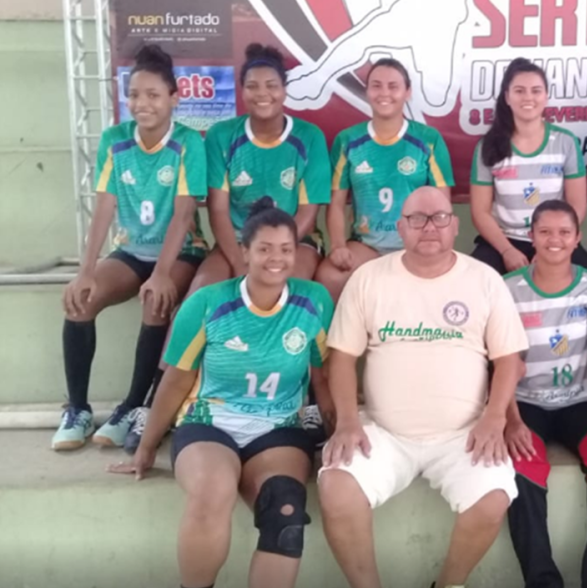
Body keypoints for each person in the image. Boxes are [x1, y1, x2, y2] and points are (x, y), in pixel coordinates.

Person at [109, 198, 334, 588]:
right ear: (244, 252)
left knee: (285, 510)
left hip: (278, 428)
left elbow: (324, 375)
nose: (276, 259)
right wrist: (146, 447)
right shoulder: (207, 303)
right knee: (212, 494)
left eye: (286, 249)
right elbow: (176, 380)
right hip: (210, 424)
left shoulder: (313, 301)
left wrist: (339, 428)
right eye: (264, 249)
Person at [318, 186, 529, 588]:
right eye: (417, 218)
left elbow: (508, 360)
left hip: (463, 435)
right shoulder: (369, 278)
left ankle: (448, 584)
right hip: (384, 433)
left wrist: (494, 417)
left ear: (455, 226)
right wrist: (347, 421)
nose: (429, 227)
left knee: (493, 496)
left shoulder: (483, 280)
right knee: (336, 488)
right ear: (400, 227)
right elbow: (342, 356)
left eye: (439, 218)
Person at [54, 44, 207, 451]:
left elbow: (183, 213)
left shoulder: (190, 143)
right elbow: (104, 206)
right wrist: (87, 269)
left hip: (179, 253)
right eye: (135, 95)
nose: (142, 104)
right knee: (80, 300)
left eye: (153, 95)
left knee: (156, 301)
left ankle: (132, 406)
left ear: (174, 98)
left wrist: (161, 274)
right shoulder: (115, 140)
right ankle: (78, 410)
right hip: (131, 250)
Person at [502, 200, 587, 588]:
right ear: (530, 237)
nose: (554, 239)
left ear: (577, 239)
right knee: (521, 472)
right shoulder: (508, 290)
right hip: (526, 403)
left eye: (563, 232)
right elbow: (501, 362)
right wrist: (510, 421)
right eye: (545, 231)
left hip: (578, 402)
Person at [314, 57, 455, 301]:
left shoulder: (428, 139)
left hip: (416, 243)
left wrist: (435, 246)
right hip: (366, 245)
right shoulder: (348, 140)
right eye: (376, 85)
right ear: (367, 91)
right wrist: (338, 246)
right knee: (330, 277)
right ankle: (336, 340)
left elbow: (442, 205)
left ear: (407, 92)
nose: (384, 93)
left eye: (393, 86)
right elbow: (336, 204)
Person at [196, 43, 331, 290]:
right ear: (242, 91)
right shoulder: (220, 136)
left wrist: (271, 253)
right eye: (252, 86)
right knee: (199, 297)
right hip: (237, 243)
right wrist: (240, 261)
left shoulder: (310, 137)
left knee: (287, 296)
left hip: (294, 243)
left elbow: (306, 213)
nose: (262, 93)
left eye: (271, 86)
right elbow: (218, 211)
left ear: (284, 90)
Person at [470, 58, 587, 274]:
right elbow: (480, 212)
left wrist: (551, 246)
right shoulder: (487, 146)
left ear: (546, 96)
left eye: (536, 90)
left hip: (554, 237)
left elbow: (577, 204)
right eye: (519, 91)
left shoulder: (566, 142)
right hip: (503, 241)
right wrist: (506, 251)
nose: (528, 97)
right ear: (507, 97)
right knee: (475, 283)